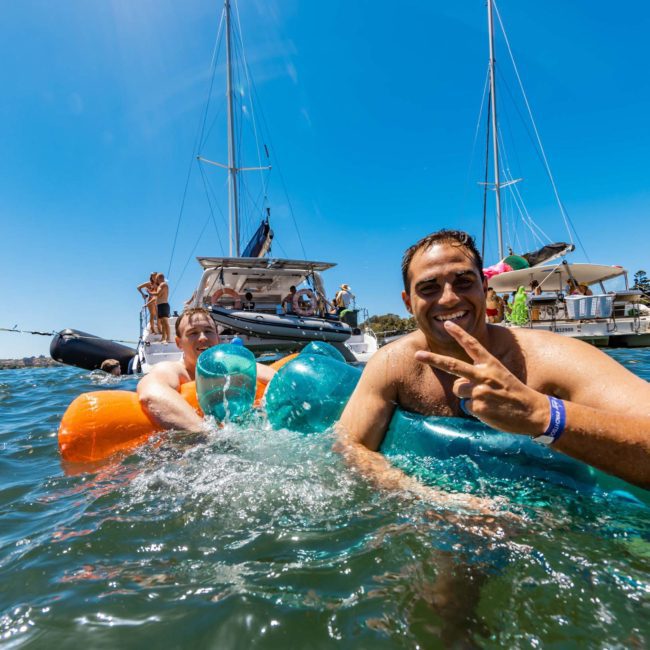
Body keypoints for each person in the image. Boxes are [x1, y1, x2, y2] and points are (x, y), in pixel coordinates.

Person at [337, 229, 650, 489]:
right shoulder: (394, 364)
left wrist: (542, 414)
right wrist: (428, 497)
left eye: (463, 282)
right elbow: (350, 449)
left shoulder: (552, 359)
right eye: (429, 288)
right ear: (408, 303)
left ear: (484, 287)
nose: (448, 298)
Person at [137, 307, 276, 431]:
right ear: (179, 343)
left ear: (217, 338)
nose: (203, 338)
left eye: (208, 331)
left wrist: (266, 413)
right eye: (193, 333)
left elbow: (277, 378)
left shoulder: (232, 366)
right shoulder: (174, 370)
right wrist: (207, 433)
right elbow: (151, 392)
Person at [150, 273, 171, 344]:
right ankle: (163, 338)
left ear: (159, 278)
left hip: (163, 305)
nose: (156, 280)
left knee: (165, 322)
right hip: (161, 305)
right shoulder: (161, 285)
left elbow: (158, 294)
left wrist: (150, 292)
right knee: (162, 323)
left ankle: (168, 338)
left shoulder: (163, 284)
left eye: (156, 279)